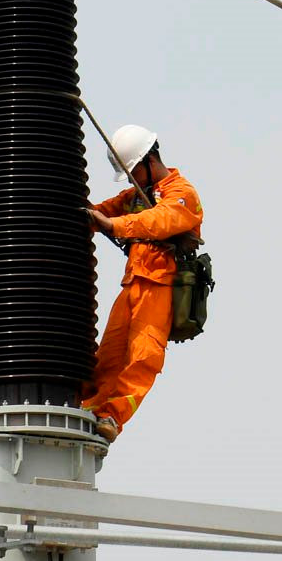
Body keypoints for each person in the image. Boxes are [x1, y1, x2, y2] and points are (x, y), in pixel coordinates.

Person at [81, 124, 203, 442]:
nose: (133, 175)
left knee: (142, 358)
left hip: (162, 285)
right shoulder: (136, 195)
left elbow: (160, 220)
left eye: (134, 168)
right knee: (108, 357)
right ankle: (90, 409)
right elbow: (100, 212)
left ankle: (112, 417)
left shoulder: (181, 193)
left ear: (150, 159)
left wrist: (114, 225)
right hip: (133, 283)